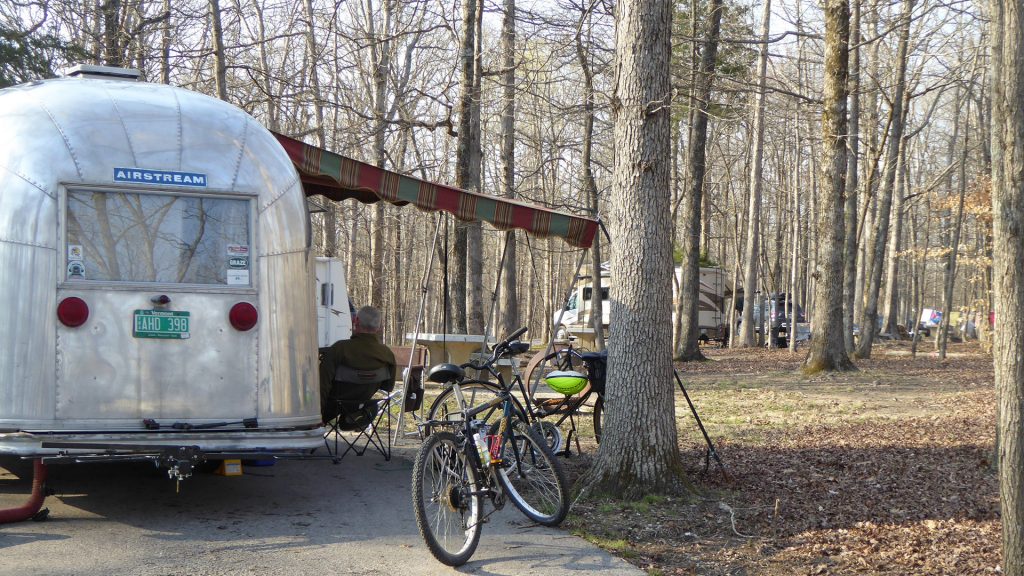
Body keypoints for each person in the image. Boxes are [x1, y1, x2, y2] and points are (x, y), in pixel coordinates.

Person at [319, 306, 396, 422]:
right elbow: (388, 386)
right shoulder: (387, 354)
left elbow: (322, 385)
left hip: (333, 407)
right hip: (361, 407)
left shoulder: (339, 349)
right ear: (379, 326)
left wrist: (317, 414)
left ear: (356, 321)